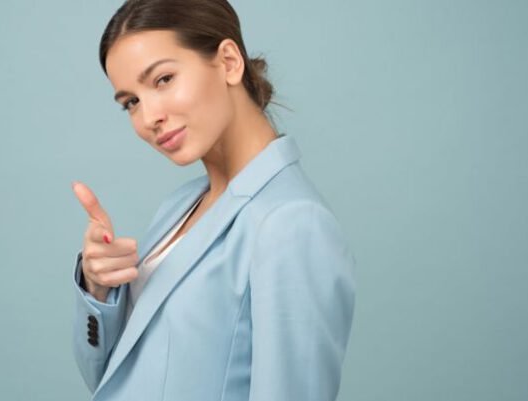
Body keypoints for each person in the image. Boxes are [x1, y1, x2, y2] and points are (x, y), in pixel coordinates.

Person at [70, 1, 356, 400]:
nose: (149, 116)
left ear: (228, 61)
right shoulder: (179, 205)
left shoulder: (291, 222)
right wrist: (99, 290)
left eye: (163, 79)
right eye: (130, 102)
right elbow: (111, 380)